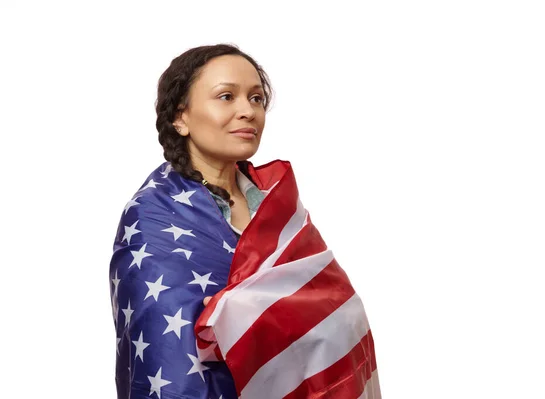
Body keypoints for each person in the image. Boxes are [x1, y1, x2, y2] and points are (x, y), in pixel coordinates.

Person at [109, 43, 381, 399]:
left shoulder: (277, 204)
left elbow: (331, 308)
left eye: (256, 99)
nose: (248, 111)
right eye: (226, 97)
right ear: (181, 117)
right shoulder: (153, 215)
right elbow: (167, 346)